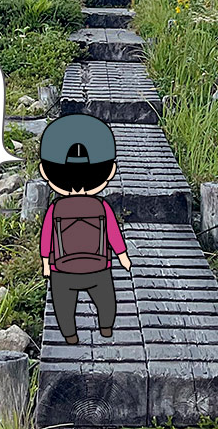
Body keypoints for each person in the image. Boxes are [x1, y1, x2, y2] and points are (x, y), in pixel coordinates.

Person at [38, 114, 130, 345]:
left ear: (45, 172)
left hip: (62, 269)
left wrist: (46, 263)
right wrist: (123, 256)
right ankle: (106, 328)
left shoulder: (55, 208)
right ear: (109, 172)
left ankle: (69, 335)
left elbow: (47, 237)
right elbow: (113, 234)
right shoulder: (101, 205)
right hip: (98, 267)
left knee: (63, 305)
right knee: (106, 301)